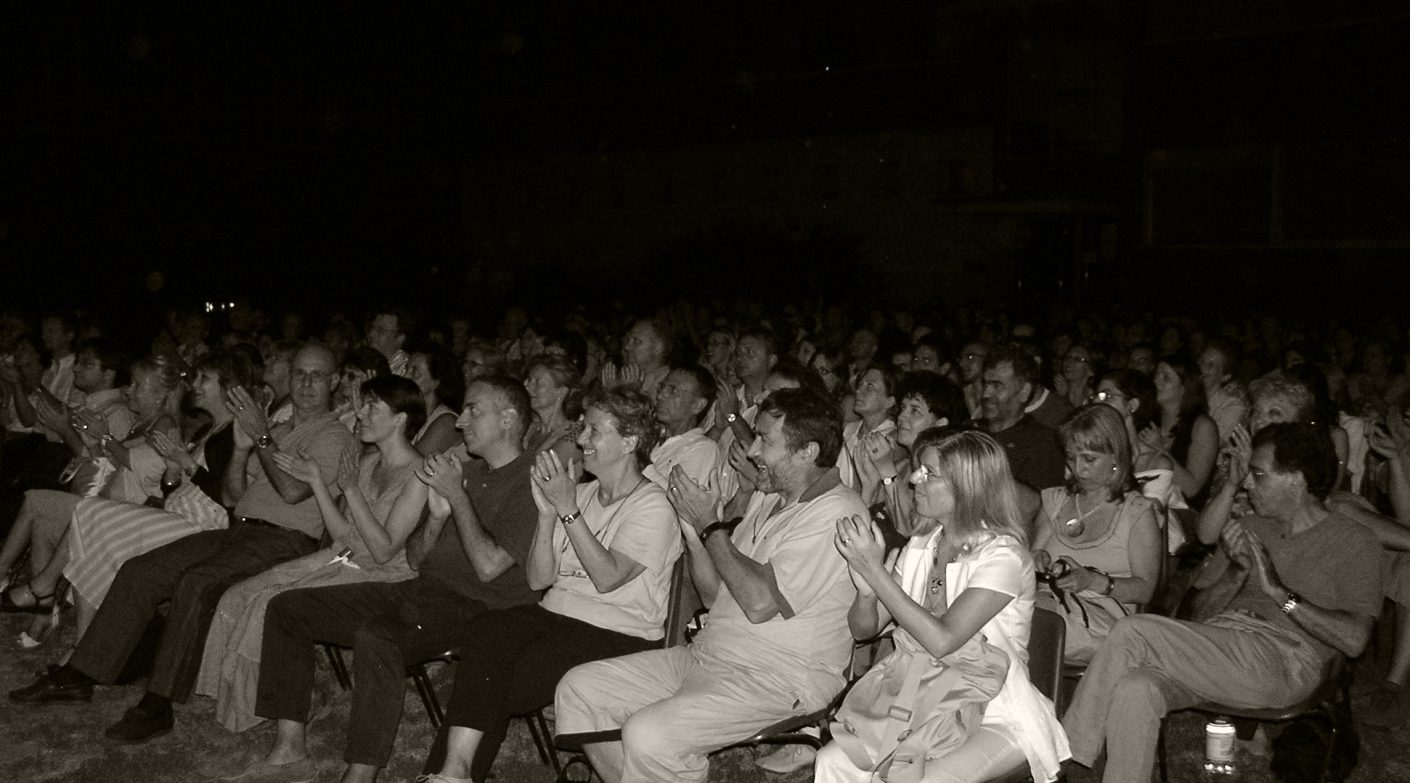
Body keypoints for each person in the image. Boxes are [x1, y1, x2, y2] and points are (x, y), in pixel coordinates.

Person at [9, 345, 359, 748]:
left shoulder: (335, 436)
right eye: (299, 373)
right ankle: (80, 674)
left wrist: (258, 437)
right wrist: (243, 449)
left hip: (285, 541)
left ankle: (157, 703)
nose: (306, 383)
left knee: (196, 582)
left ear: (334, 382)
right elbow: (232, 497)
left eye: (317, 375)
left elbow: (294, 491)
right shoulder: (280, 432)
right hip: (239, 530)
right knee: (142, 570)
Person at [222, 375, 540, 783]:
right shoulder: (468, 471)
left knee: (379, 637)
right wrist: (438, 516)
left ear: (509, 419)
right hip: (421, 587)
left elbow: (490, 567)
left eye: (474, 410)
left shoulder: (529, 480)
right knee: (287, 607)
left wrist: (455, 498)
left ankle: (360, 774)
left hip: (478, 607)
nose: (461, 421)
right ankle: (289, 753)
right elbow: (415, 556)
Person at [554, 388, 865, 783]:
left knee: (650, 735)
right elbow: (715, 595)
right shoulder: (769, 500)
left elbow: (758, 603)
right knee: (580, 689)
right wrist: (692, 530)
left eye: (765, 441)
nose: (752, 452)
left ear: (808, 451)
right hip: (709, 656)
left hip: (777, 677)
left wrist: (711, 525)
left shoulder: (836, 512)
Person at [1063, 423, 1380, 783]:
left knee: (1133, 630)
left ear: (1296, 478)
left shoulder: (1354, 540)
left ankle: (1063, 759)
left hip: (1285, 660)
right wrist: (1236, 574)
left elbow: (1355, 641)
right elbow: (1195, 615)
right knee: (1136, 689)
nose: (1246, 484)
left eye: (1258, 475)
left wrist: (1279, 594)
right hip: (1223, 649)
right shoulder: (1250, 526)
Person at [419, 388, 683, 783]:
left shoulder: (653, 506)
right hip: (556, 615)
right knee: (488, 629)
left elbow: (608, 578)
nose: (581, 440)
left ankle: (447, 773)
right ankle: (453, 772)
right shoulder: (584, 493)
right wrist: (546, 517)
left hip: (618, 632)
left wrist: (568, 510)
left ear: (629, 442)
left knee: (490, 686)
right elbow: (539, 579)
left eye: (594, 431)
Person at [815, 428, 1069, 783]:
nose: (915, 479)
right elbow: (864, 631)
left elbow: (943, 639)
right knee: (833, 761)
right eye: (919, 469)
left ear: (967, 487)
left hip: (994, 712)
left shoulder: (1004, 557)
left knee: (915, 781)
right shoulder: (922, 545)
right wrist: (867, 590)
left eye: (929, 473)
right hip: (923, 701)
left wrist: (876, 571)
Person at [193, 375, 428, 732]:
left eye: (371, 407)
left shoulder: (417, 475)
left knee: (267, 602)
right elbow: (343, 538)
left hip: (381, 577)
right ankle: (226, 699)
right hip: (343, 558)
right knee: (239, 593)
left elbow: (382, 551)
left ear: (400, 419)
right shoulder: (367, 463)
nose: (361, 414)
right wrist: (319, 482)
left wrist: (349, 491)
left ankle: (253, 708)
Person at [50, 349, 257, 651]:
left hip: (203, 529)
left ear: (228, 385)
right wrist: (173, 470)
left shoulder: (236, 435)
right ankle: (83, 644)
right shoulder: (206, 430)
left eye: (204, 378)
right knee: (91, 518)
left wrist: (186, 463)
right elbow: (174, 488)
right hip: (177, 516)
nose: (194, 384)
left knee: (93, 514)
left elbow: (230, 498)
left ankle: (66, 621)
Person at [0, 355, 182, 634]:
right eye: (130, 383)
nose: (128, 390)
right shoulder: (142, 423)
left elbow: (144, 471)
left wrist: (106, 438)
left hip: (127, 517)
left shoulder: (166, 426)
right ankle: (42, 610)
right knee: (40, 516)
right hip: (108, 505)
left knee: (36, 501)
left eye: (137, 385)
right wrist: (94, 445)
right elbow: (114, 471)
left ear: (160, 396)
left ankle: (33, 589)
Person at [1032, 405, 1161, 664]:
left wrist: (1092, 581)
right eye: (1070, 457)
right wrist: (1036, 560)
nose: (1079, 469)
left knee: (1020, 624)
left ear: (1116, 457)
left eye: (1089, 459)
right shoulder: (1055, 501)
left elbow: (1145, 590)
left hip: (1102, 622)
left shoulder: (1136, 512)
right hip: (1049, 610)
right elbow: (1032, 559)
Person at [978, 344, 1065, 494]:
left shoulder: (1042, 444)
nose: (986, 394)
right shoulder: (971, 431)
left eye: (997, 386)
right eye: (985, 384)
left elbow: (1035, 507)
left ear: (1024, 391)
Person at [1151, 354, 1219, 501]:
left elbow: (1192, 488)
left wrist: (1159, 449)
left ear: (1183, 388)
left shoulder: (1203, 427)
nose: (1156, 381)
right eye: (1156, 375)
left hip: (1183, 513)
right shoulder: (1149, 419)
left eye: (1166, 378)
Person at [643, 365, 718, 489]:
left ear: (697, 405)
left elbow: (680, 500)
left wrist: (640, 460)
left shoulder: (703, 448)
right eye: (662, 387)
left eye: (673, 390)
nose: (661, 395)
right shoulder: (652, 438)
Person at [837, 365, 897, 491]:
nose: (858, 391)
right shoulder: (847, 429)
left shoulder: (891, 440)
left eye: (870, 386)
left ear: (889, 401)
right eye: (859, 385)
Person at [520, 353, 583, 462]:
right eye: (529, 380)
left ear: (561, 391)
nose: (527, 386)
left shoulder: (573, 434)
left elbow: (537, 474)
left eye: (538, 382)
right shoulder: (531, 429)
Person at [406, 347, 463, 456]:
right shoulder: (410, 414)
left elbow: (410, 467)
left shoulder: (447, 422)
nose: (405, 377)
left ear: (436, 382)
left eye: (415, 373)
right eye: (406, 369)